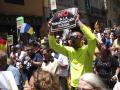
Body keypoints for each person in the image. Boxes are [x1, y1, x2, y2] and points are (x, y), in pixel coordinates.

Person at [48, 14, 96, 89]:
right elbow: (53, 45)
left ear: (82, 39)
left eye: (75, 37)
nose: (72, 39)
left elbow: (92, 39)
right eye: (71, 37)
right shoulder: (69, 50)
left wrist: (78, 22)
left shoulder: (88, 50)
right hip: (73, 86)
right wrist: (51, 29)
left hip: (86, 86)